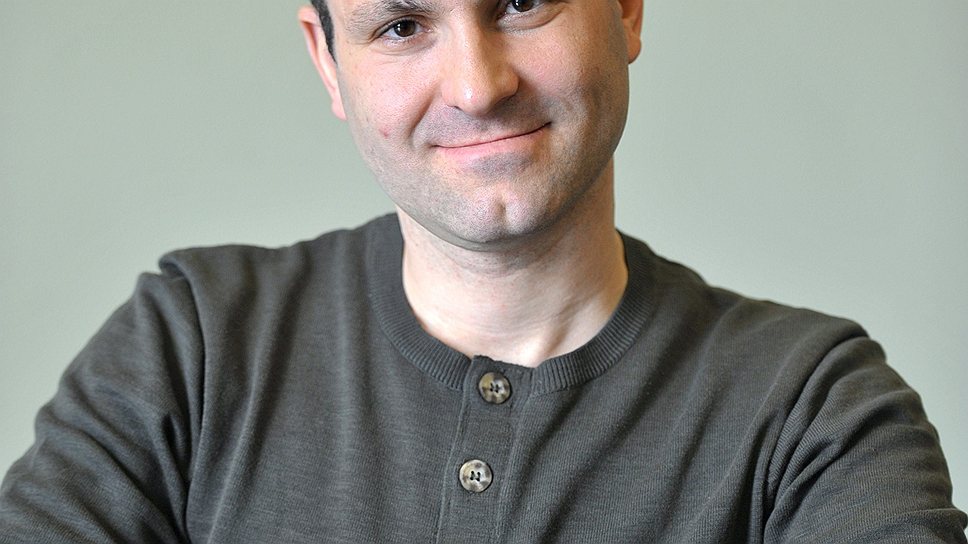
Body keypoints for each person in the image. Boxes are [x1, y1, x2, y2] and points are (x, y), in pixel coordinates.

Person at [0, 0, 965, 541]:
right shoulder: (191, 348)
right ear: (328, 61)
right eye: (400, 24)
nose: (478, 84)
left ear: (627, 9)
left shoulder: (815, 410)